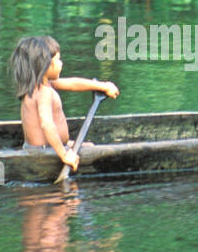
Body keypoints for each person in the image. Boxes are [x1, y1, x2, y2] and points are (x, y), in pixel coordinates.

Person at [9, 36, 119, 173]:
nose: (61, 64)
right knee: (91, 150)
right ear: (45, 65)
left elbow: (73, 84)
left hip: (41, 148)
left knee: (90, 146)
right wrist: (64, 154)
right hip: (43, 154)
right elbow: (47, 124)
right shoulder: (44, 92)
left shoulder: (39, 86)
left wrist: (102, 86)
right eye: (58, 60)